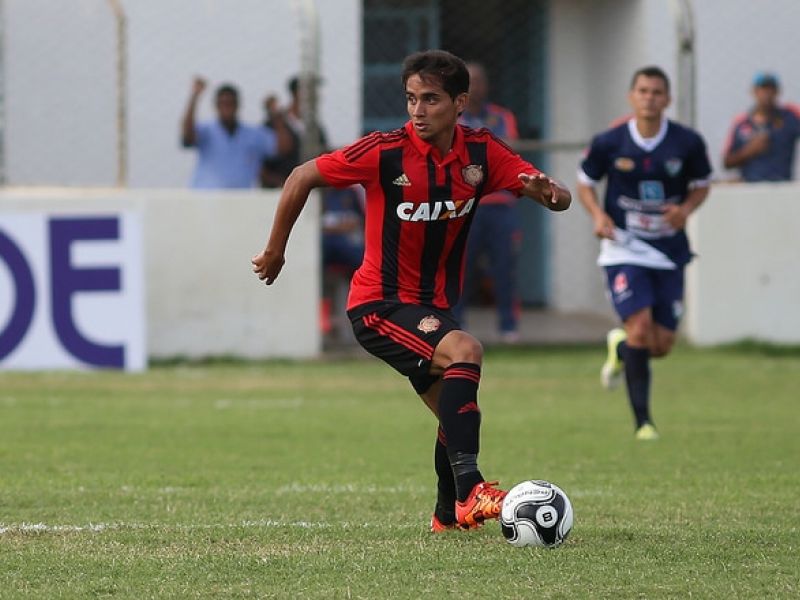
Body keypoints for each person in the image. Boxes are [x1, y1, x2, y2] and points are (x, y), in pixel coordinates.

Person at [252, 50, 571, 531]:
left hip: (432, 306)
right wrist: (276, 250)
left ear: (460, 103)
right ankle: (471, 492)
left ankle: (447, 516)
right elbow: (301, 176)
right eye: (411, 99)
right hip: (378, 305)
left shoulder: (481, 153)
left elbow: (551, 194)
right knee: (465, 350)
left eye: (431, 99)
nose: (418, 111)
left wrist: (552, 194)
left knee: (456, 414)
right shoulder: (385, 151)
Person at [576, 66, 712, 441]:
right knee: (639, 328)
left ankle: (621, 348)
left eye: (656, 92)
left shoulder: (686, 142)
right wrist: (598, 214)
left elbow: (702, 184)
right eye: (643, 91)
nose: (649, 98)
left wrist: (685, 210)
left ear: (667, 99)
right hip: (624, 247)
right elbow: (585, 183)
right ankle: (644, 423)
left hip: (668, 251)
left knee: (661, 345)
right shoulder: (610, 141)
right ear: (631, 96)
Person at [453, 62, 522, 343]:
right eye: (469, 81)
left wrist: (474, 152)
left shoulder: (502, 117)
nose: (475, 87)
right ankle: (456, 324)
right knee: (460, 267)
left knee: (505, 266)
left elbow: (509, 152)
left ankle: (509, 327)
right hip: (464, 206)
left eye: (479, 81)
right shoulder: (451, 118)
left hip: (500, 205)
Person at [180, 77, 291, 189]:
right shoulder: (206, 130)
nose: (227, 108)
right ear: (216, 105)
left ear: (238, 105)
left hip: (239, 197)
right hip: (205, 195)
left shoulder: (253, 134)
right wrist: (195, 96)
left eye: (230, 103)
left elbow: (283, 148)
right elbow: (187, 137)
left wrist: (276, 115)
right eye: (223, 103)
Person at [722, 72, 800, 182]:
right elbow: (726, 162)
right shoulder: (741, 122)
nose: (767, 94)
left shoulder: (789, 116)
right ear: (754, 92)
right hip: (751, 186)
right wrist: (749, 151)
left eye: (771, 89)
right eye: (763, 89)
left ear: (777, 92)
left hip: (782, 185)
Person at [261, 76, 328, 188]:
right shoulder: (273, 124)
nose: (316, 97)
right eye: (312, 93)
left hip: (308, 190)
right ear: (297, 94)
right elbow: (260, 163)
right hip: (279, 191)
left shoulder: (314, 128)